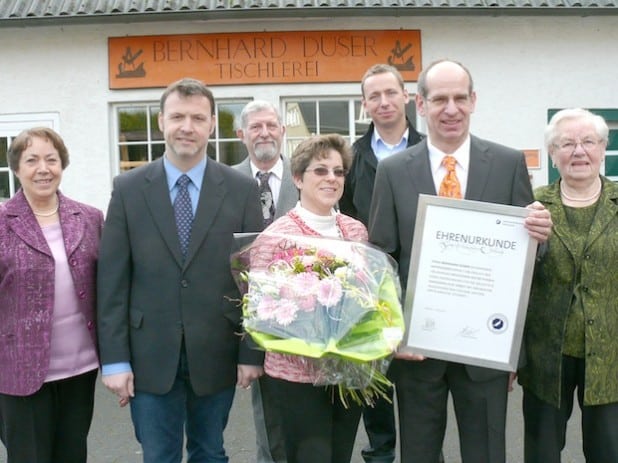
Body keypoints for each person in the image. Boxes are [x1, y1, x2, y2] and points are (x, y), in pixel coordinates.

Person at [368, 59, 553, 463]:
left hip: (485, 348)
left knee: (486, 453)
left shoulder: (507, 164)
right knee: (418, 454)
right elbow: (381, 258)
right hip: (417, 350)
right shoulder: (394, 170)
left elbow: (528, 254)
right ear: (420, 103)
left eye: (458, 98)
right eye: (439, 99)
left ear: (473, 101)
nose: (450, 109)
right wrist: (392, 331)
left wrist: (541, 238)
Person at [96, 78, 264, 463]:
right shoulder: (129, 188)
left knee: (210, 452)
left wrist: (250, 352)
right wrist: (116, 360)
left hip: (216, 350)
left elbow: (256, 280)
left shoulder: (240, 190)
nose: (187, 126)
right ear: (160, 122)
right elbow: (112, 281)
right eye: (177, 117)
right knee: (159, 456)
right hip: (149, 354)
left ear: (211, 125)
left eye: (197, 118)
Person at [251, 133, 366, 463]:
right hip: (295, 377)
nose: (331, 178)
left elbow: (367, 295)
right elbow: (259, 312)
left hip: (348, 371)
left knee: (340, 455)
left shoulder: (356, 231)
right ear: (298, 178)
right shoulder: (276, 238)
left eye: (338, 171)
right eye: (320, 170)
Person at [517, 108, 618, 463]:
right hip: (546, 355)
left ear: (603, 148)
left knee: (609, 452)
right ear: (552, 154)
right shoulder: (530, 207)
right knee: (542, 453)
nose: (579, 151)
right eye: (567, 144)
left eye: (588, 142)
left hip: (611, 358)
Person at [0, 127, 103, 463]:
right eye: (31, 160)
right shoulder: (2, 222)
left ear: (63, 165)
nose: (43, 168)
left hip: (80, 368)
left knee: (73, 455)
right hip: (19, 371)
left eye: (51, 159)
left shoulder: (89, 218)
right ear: (17, 168)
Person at [339, 63, 424, 463]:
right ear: (364, 104)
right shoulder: (351, 159)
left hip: (424, 285)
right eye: (374, 95)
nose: (384, 101)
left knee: (423, 389)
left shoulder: (431, 151)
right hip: (370, 290)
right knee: (375, 387)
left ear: (406, 96)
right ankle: (381, 455)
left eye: (391, 92)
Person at [233, 100, 297, 463]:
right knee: (265, 415)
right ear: (242, 134)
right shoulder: (225, 180)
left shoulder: (306, 176)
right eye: (255, 127)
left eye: (271, 125)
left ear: (282, 131)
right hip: (247, 315)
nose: (265, 133)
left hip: (303, 310)